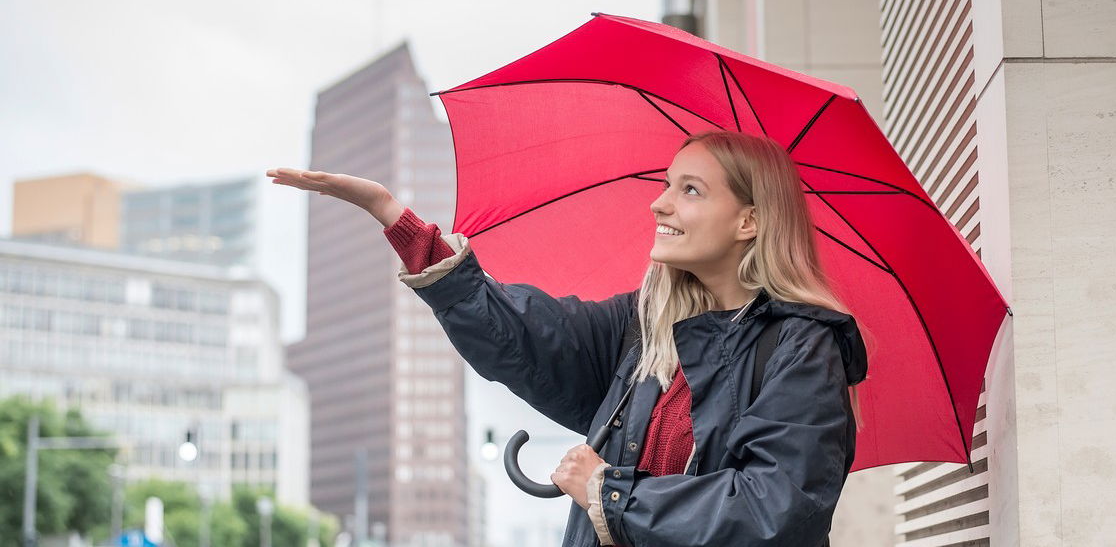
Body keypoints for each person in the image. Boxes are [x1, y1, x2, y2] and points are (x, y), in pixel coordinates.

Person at [266, 130, 868, 546]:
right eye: (666, 184)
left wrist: (609, 492)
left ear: (750, 221)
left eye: (690, 190)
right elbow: (524, 336)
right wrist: (397, 221)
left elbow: (774, 513)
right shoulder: (645, 328)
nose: (659, 203)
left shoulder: (801, 347)